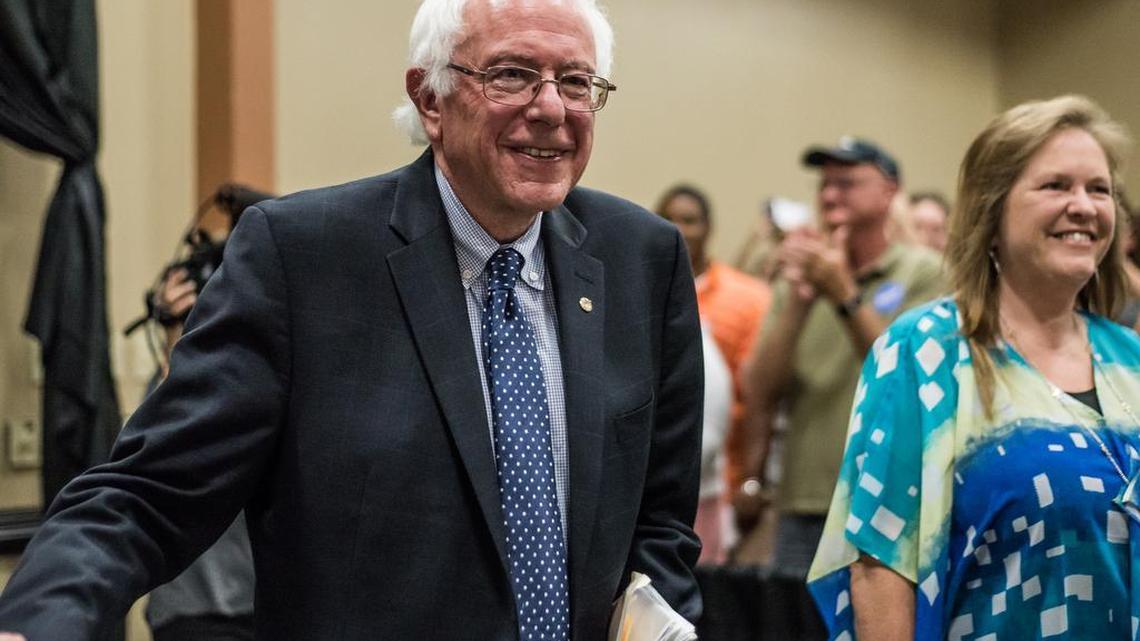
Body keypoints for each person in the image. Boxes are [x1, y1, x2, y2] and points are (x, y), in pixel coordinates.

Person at [0, 1, 703, 640]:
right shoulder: (303, 257)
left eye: (576, 82)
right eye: (513, 75)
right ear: (430, 98)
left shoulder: (642, 259)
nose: (552, 108)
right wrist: (39, 622)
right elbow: (151, 492)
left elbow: (662, 520)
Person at [809, 95, 1137, 640]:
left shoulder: (1130, 357)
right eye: (1056, 185)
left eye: (1098, 189)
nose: (1083, 205)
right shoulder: (925, 351)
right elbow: (881, 567)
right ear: (993, 208)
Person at [746, 137, 944, 580]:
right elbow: (760, 388)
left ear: (889, 191)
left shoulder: (924, 271)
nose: (831, 194)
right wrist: (799, 301)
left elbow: (908, 373)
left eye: (847, 182)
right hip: (805, 501)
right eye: (825, 185)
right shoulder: (805, 274)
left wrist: (843, 292)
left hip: (889, 497)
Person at [656, 184, 771, 563]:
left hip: (720, 485)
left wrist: (750, 481)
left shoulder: (746, 298)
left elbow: (757, 396)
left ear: (709, 228)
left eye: (690, 220)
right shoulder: (640, 289)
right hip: (657, 478)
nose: (680, 229)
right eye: (669, 218)